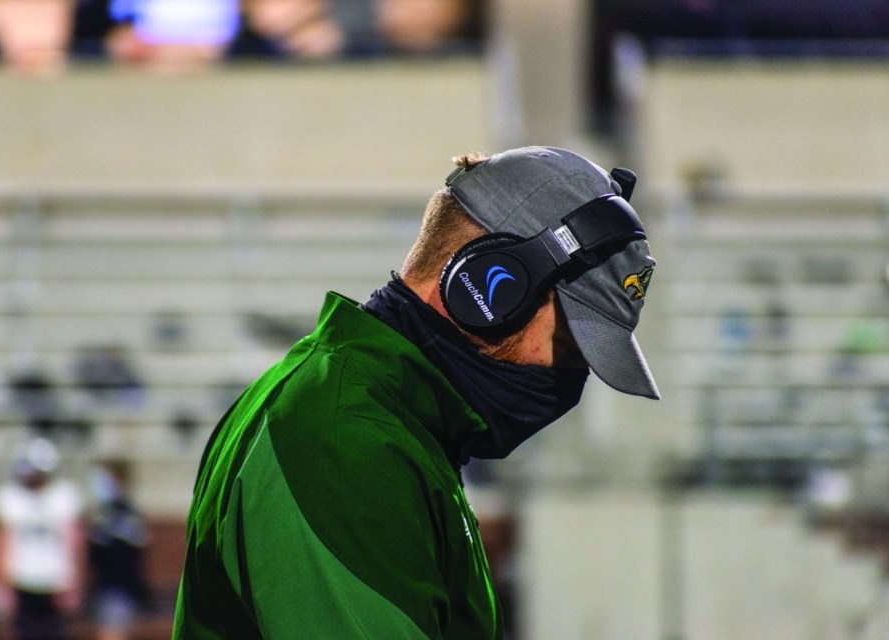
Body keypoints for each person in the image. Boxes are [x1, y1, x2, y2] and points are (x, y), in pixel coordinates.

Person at [171, 146, 660, 638]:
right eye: (570, 345)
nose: (571, 377)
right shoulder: (345, 441)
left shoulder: (383, 420)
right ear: (493, 290)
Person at [0, 437, 85, 640]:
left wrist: (75, 581)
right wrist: (2, 584)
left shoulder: (63, 497)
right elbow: (3, 543)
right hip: (22, 579)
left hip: (55, 581)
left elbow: (74, 543)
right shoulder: (12, 498)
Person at [86, 459, 151, 640]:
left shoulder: (126, 513)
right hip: (104, 586)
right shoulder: (103, 513)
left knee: (113, 632)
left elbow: (135, 552)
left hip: (119, 587)